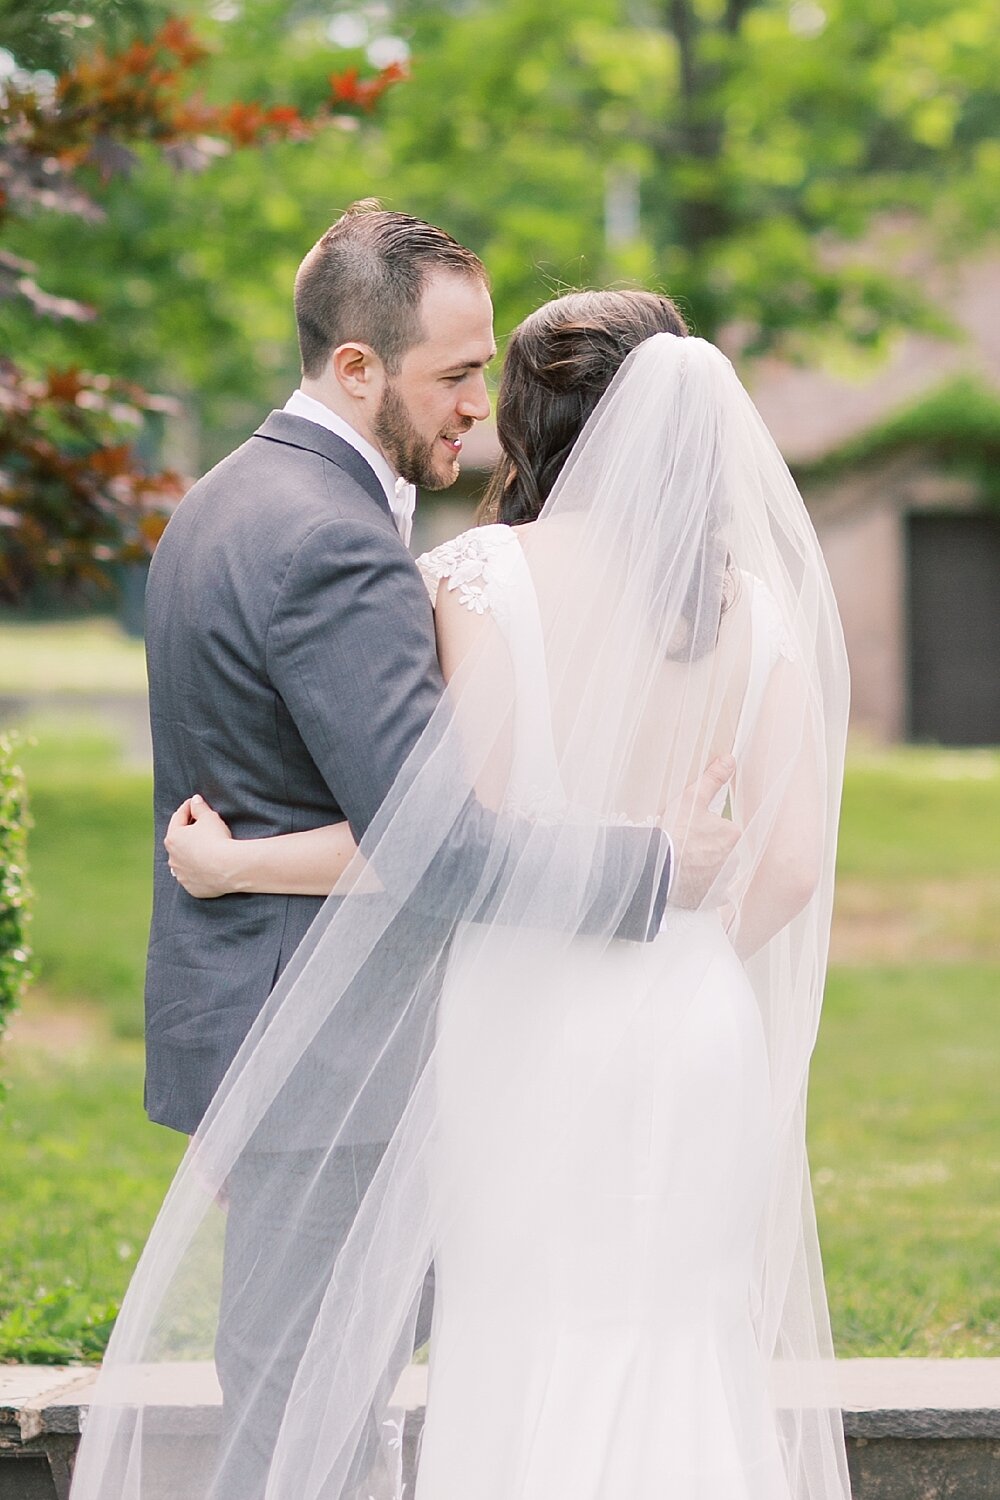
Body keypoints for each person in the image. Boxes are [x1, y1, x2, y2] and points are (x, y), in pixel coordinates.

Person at [69, 288, 852, 1500]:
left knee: (532, 1336)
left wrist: (238, 864)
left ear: (537, 430)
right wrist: (674, 955)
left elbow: (437, 838)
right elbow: (791, 864)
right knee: (679, 1343)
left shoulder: (481, 578)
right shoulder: (759, 608)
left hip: (533, 1027)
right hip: (699, 1031)